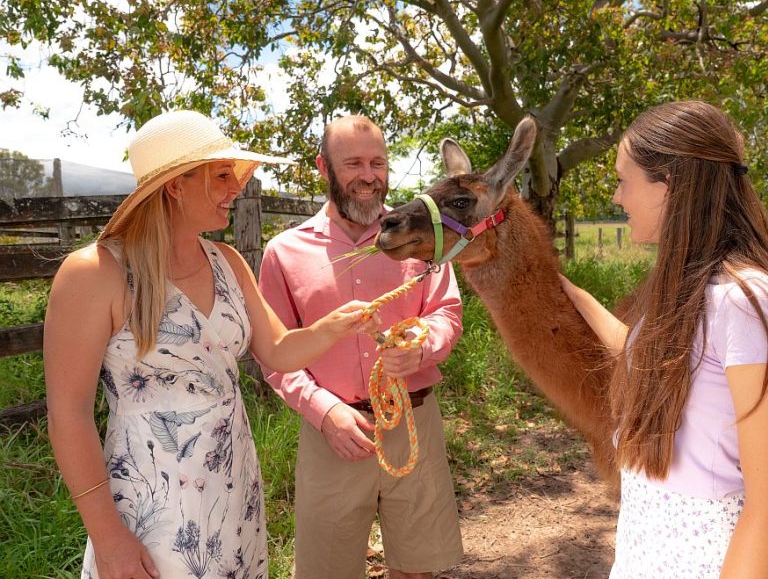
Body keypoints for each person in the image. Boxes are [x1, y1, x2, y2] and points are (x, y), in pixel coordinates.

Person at [43, 110, 378, 579]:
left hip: (233, 487)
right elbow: (68, 414)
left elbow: (277, 351)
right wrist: (109, 539)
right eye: (221, 175)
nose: (236, 187)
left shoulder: (228, 261)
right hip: (150, 509)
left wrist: (335, 327)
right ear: (176, 185)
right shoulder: (94, 273)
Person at [560, 101, 768, 578]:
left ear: (670, 186)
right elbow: (651, 358)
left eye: (623, 180)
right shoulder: (686, 288)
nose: (617, 197)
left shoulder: (743, 302)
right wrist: (569, 294)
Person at [257, 114, 464, 579]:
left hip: (414, 421)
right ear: (323, 167)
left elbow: (446, 312)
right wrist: (323, 411)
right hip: (332, 433)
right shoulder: (284, 253)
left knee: (418, 570)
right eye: (353, 163)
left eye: (378, 163)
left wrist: (422, 344)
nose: (369, 176)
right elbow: (273, 352)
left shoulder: (422, 239)